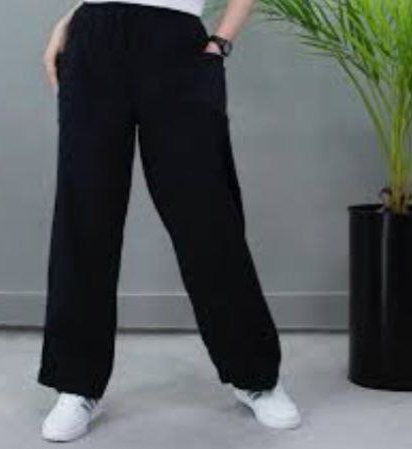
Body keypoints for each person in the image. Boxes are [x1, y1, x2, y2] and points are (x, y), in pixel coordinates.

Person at [38, 0, 301, 442]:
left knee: (207, 216)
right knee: (84, 214)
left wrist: (221, 42)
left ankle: (255, 375)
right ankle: (76, 383)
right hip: (93, 39)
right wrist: (69, 19)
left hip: (177, 43)